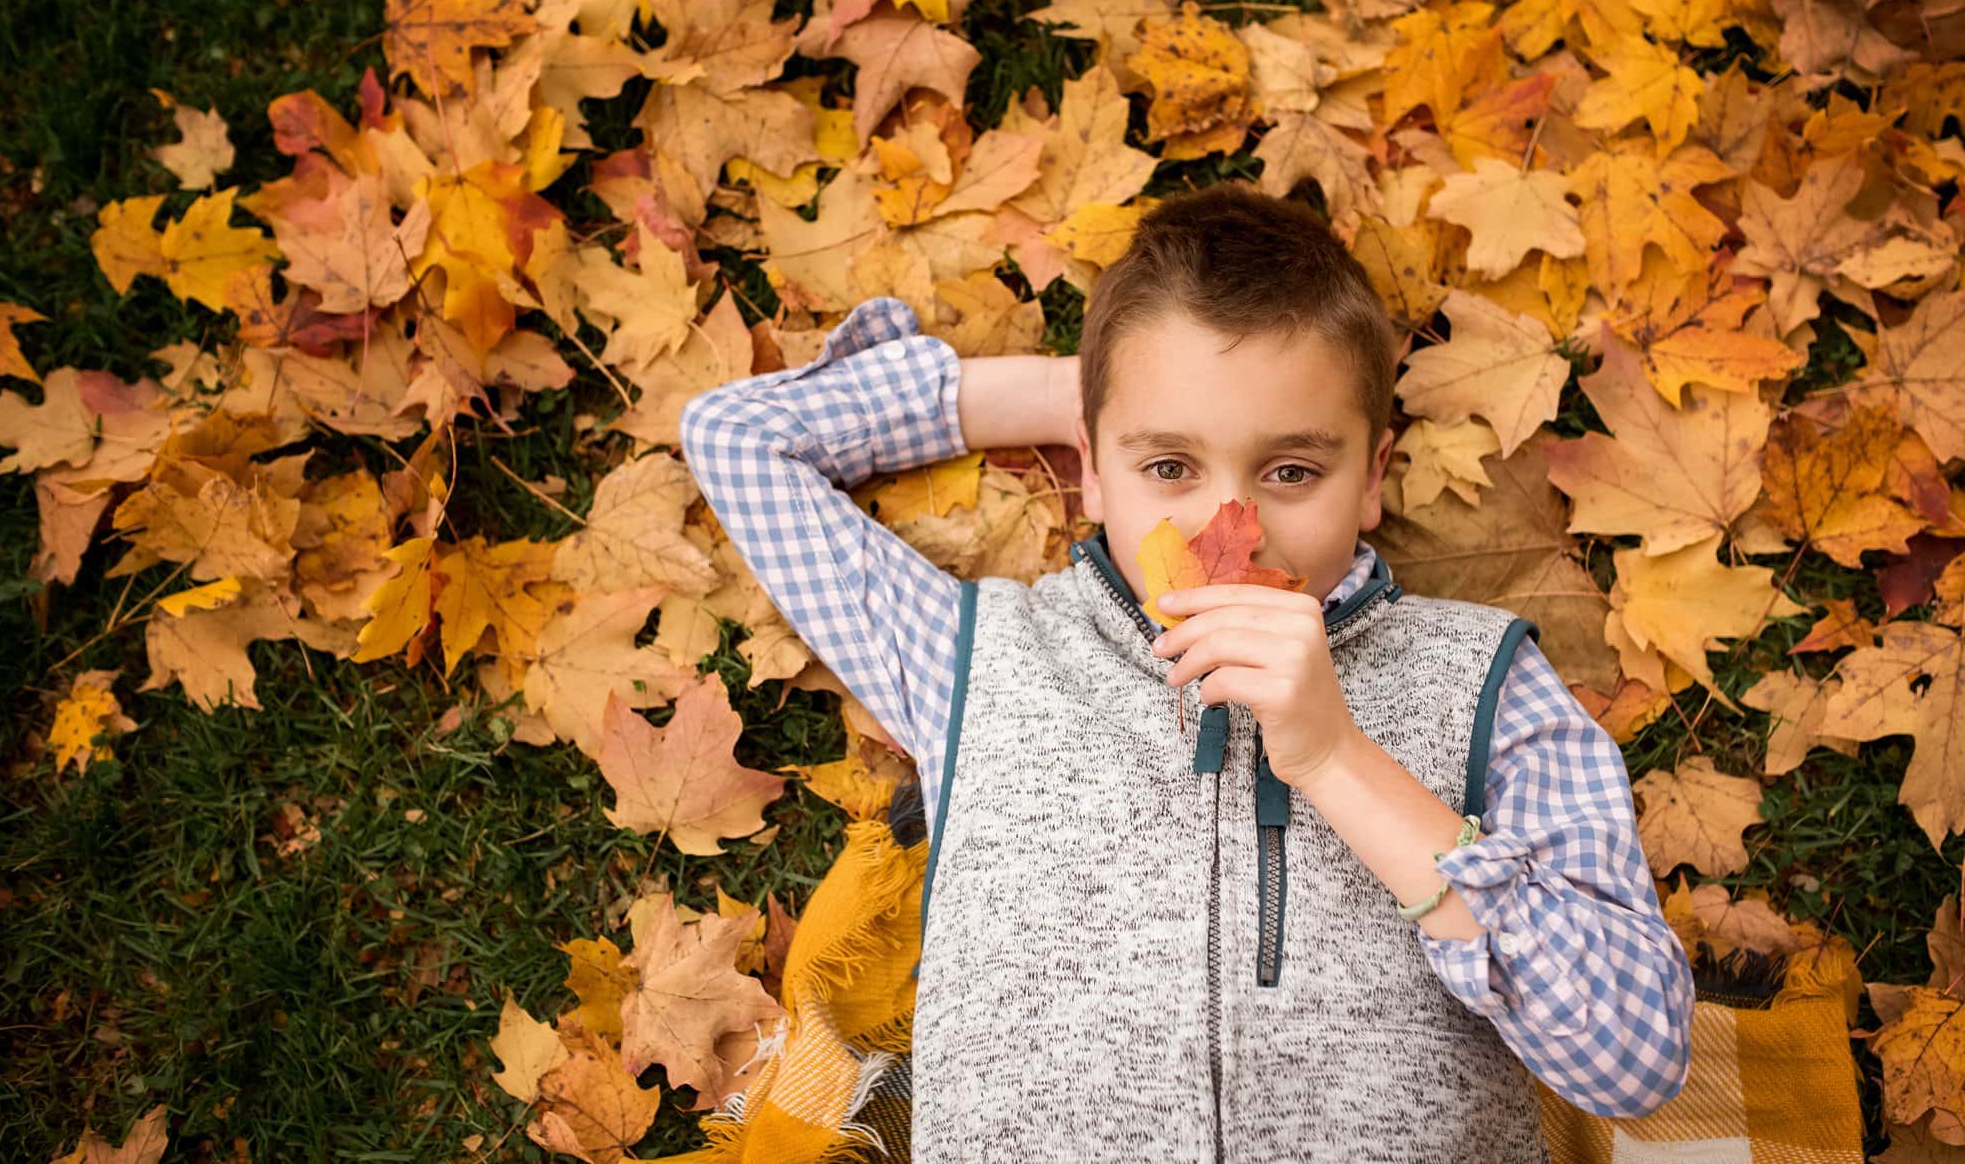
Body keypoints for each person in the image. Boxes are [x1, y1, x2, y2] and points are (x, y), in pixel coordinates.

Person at [678, 181, 1694, 1162]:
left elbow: (1634, 1059)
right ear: (1087, 468)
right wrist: (1079, 392)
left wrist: (1338, 759)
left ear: (1372, 477)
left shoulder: (1482, 679)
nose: (1226, 523)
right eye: (1167, 465)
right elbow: (736, 436)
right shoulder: (972, 658)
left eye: (1290, 469)